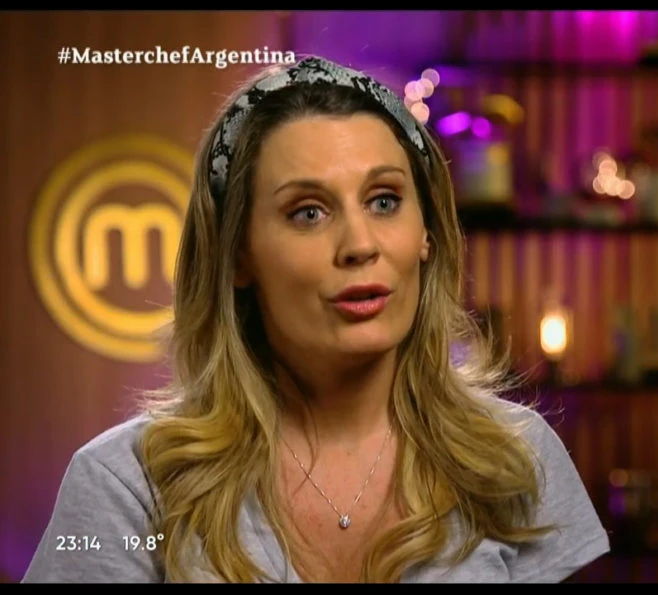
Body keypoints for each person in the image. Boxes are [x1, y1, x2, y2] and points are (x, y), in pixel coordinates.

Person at [22, 56, 610, 583]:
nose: (360, 244)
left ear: (426, 233)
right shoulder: (130, 488)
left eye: (384, 201)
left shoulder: (515, 460)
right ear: (238, 255)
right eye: (308, 212)